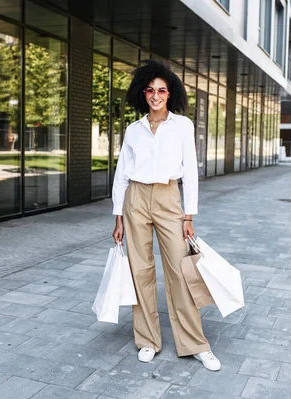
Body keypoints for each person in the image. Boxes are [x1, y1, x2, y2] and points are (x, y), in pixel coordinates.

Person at [111, 59, 221, 371]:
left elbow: (192, 174)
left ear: (169, 94)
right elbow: (121, 175)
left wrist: (189, 215)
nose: (156, 95)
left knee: (181, 271)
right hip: (135, 199)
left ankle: (195, 344)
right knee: (140, 272)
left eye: (161, 90)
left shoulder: (183, 126)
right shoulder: (134, 130)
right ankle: (147, 340)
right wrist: (118, 216)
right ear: (142, 94)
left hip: (169, 197)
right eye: (150, 90)